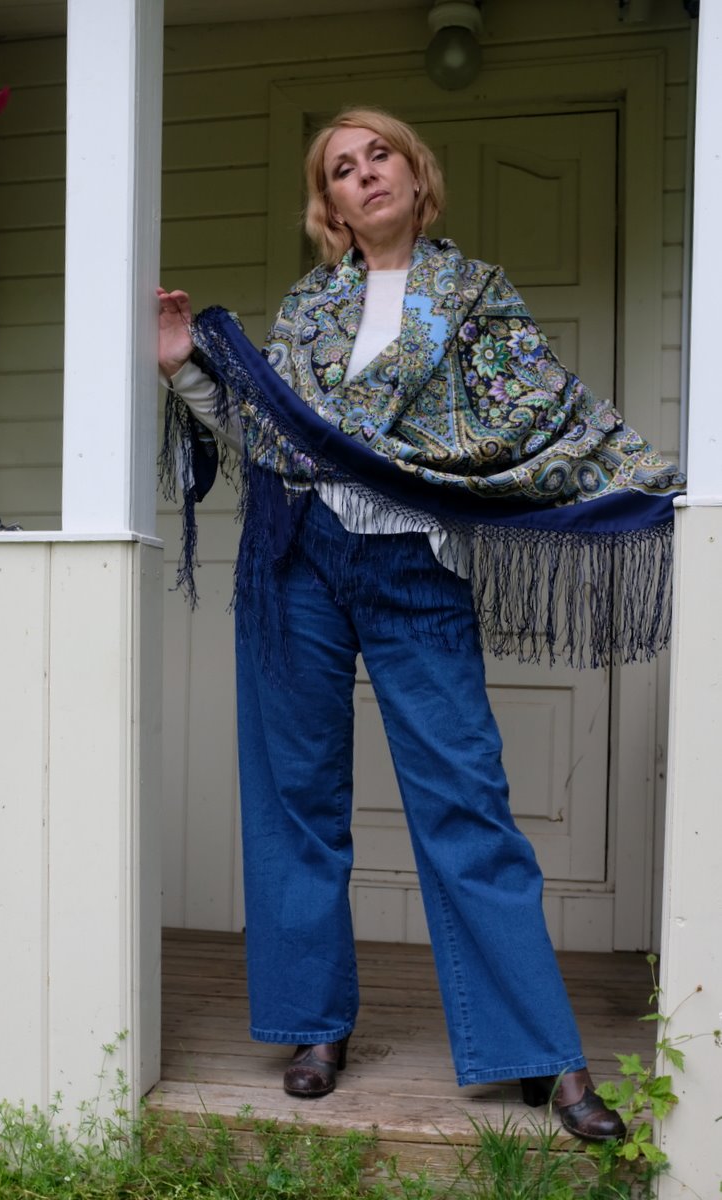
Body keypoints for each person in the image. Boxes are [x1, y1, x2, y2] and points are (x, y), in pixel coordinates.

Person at [157, 108, 680, 1142]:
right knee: (296, 798)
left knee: (466, 802)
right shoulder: (308, 306)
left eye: (378, 154)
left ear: (412, 171)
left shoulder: (474, 294)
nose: (364, 174)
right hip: (294, 558)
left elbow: (544, 418)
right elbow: (266, 435)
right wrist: (182, 364)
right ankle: (314, 1026)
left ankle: (542, 1052)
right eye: (341, 169)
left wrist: (651, 486)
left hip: (413, 565)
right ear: (330, 206)